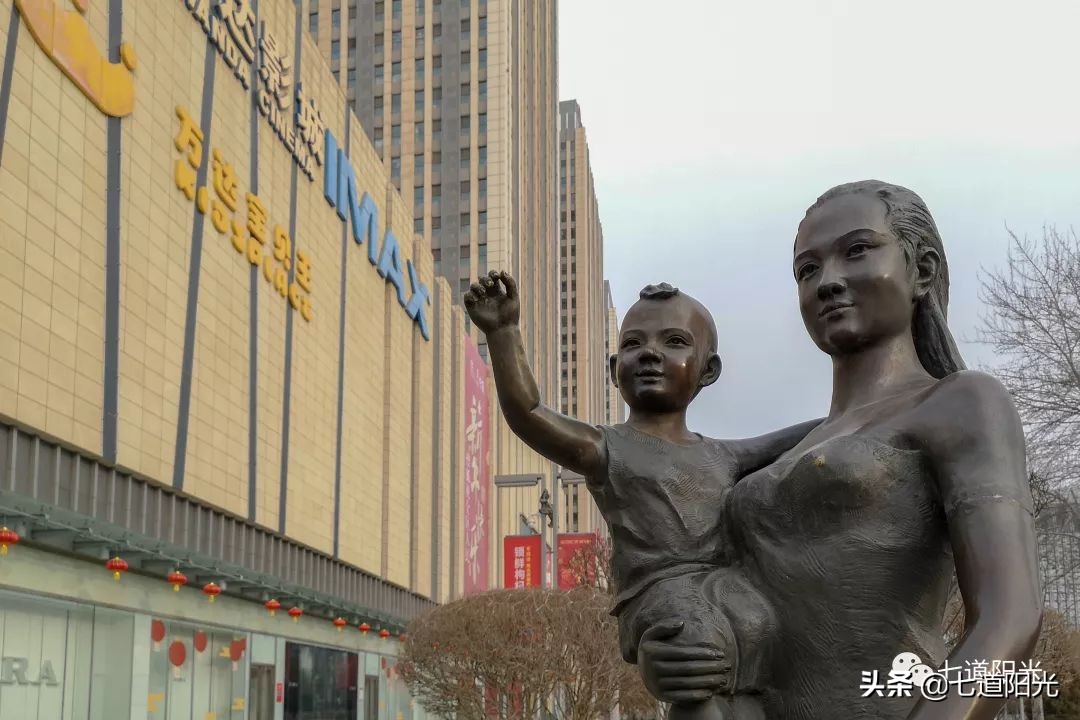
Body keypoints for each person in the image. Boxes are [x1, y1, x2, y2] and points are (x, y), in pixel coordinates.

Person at [636, 181, 1042, 720]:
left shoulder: (962, 402)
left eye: (857, 251)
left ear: (921, 269)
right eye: (807, 270)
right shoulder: (789, 447)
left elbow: (1010, 617)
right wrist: (665, 657)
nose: (827, 281)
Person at [464, 273, 817, 720]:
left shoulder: (723, 455)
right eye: (633, 344)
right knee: (695, 659)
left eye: (674, 342)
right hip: (660, 593)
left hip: (726, 587)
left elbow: (795, 439)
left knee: (766, 634)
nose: (650, 353)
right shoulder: (607, 447)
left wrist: (858, 411)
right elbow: (529, 413)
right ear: (615, 369)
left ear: (708, 369)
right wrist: (502, 332)